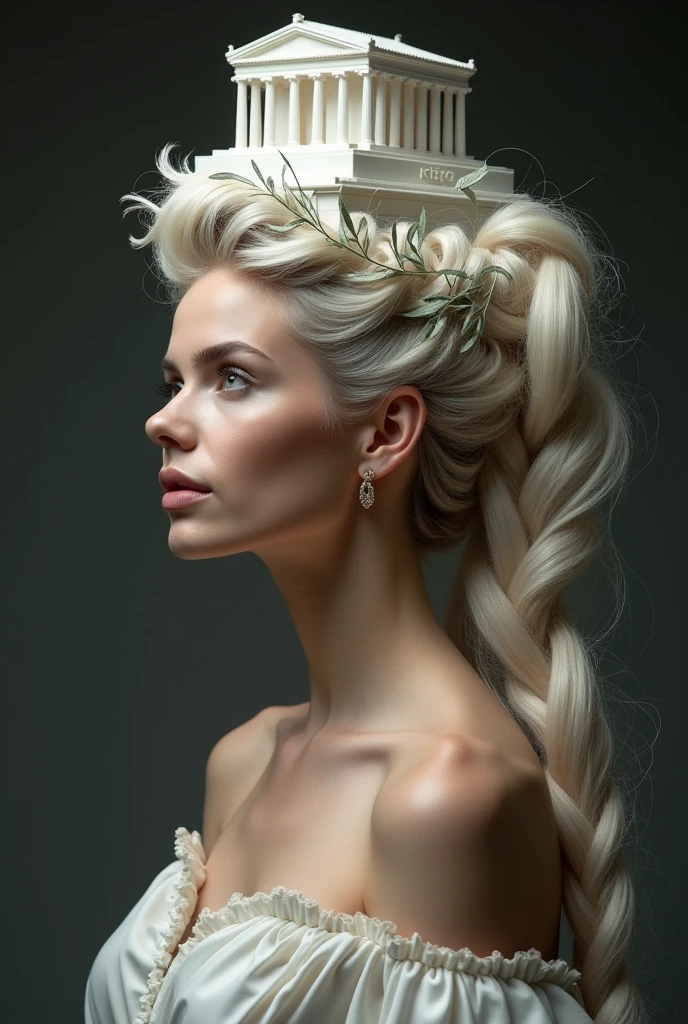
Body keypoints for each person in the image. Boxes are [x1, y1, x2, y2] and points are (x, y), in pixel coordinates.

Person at [84, 141, 647, 1024]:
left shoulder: (447, 797)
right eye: (173, 381)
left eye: (231, 378)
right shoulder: (242, 762)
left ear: (385, 430)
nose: (164, 420)